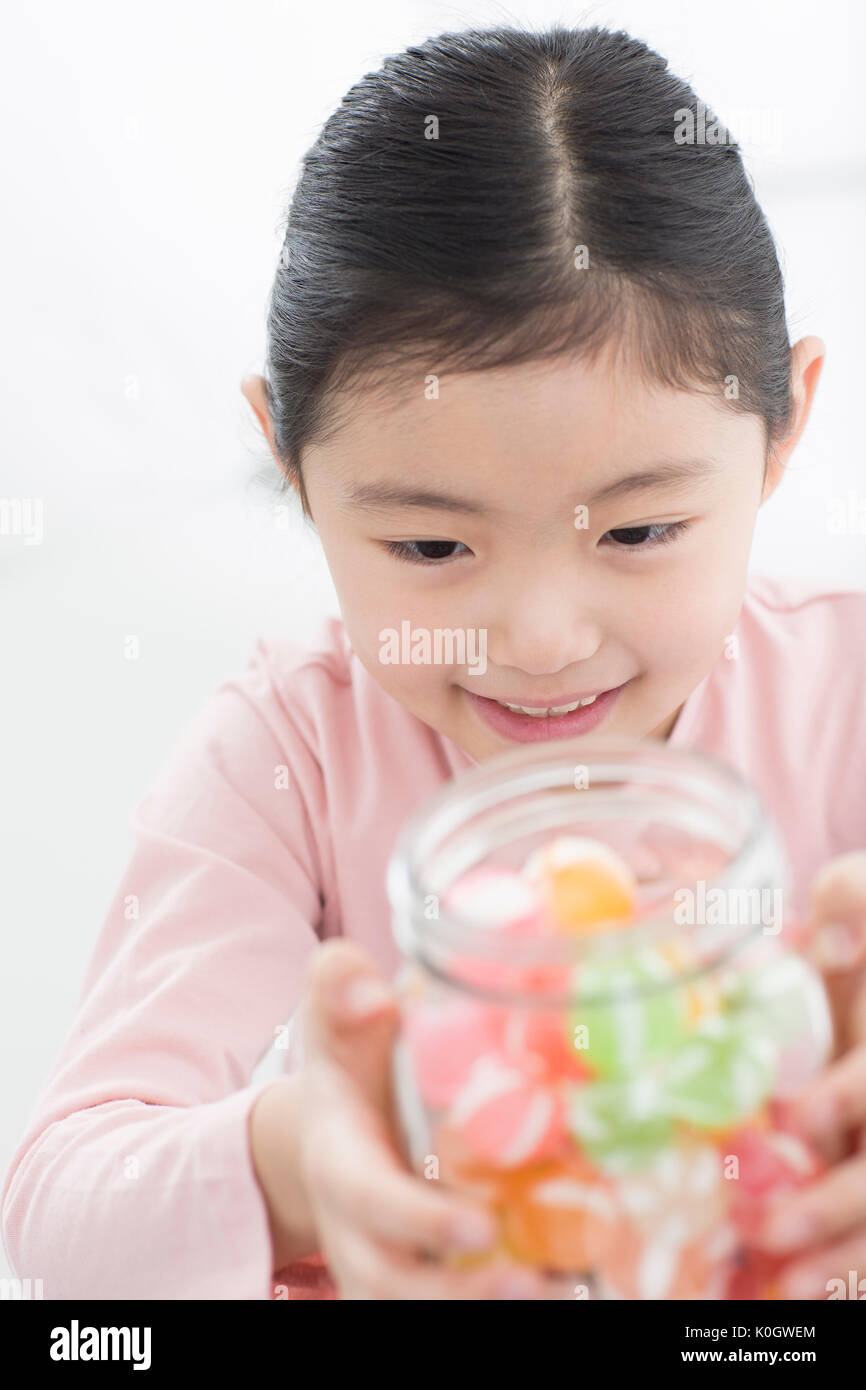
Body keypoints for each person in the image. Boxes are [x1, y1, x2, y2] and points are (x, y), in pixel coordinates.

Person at [3, 23, 866, 1302]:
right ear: (289, 466)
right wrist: (303, 1156)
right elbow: (61, 1210)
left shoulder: (841, 693)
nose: (535, 638)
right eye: (426, 543)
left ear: (780, 431)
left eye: (635, 531)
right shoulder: (285, 756)